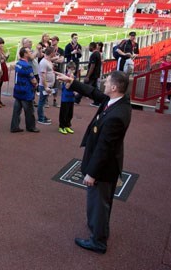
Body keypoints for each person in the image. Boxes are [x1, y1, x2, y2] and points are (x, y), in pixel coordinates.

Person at [55, 70, 132, 254]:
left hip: (103, 170)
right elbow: (93, 92)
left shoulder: (116, 116)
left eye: (107, 83)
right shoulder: (116, 101)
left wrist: (92, 173)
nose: (103, 84)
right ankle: (100, 230)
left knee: (98, 204)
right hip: (107, 165)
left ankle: (98, 241)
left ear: (114, 88)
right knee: (101, 203)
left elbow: (105, 149)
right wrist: (72, 82)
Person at [10, 47, 39, 133]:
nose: (31, 53)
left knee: (16, 111)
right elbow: (33, 79)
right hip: (26, 92)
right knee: (29, 111)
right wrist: (36, 84)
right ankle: (31, 127)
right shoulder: (27, 66)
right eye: (29, 51)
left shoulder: (18, 63)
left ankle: (14, 127)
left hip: (18, 90)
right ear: (25, 54)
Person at [38, 46, 57, 125]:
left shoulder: (48, 61)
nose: (55, 53)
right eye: (54, 52)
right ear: (52, 53)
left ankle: (42, 116)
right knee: (42, 102)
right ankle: (41, 118)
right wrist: (46, 87)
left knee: (43, 102)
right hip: (44, 86)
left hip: (48, 85)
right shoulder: (44, 62)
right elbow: (43, 76)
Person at [79, 42, 102, 107]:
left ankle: (77, 99)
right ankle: (97, 101)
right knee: (94, 88)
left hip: (92, 75)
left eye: (89, 46)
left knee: (84, 87)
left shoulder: (94, 55)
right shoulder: (98, 54)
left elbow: (92, 66)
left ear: (92, 46)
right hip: (96, 74)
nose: (89, 48)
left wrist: (88, 76)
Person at [58, 62, 77, 134]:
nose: (72, 71)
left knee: (70, 113)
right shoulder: (64, 77)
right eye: (71, 69)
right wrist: (70, 79)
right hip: (65, 98)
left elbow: (75, 86)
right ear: (67, 69)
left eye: (73, 70)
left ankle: (67, 125)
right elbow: (66, 86)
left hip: (71, 98)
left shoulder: (74, 77)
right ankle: (61, 126)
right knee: (64, 113)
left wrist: (76, 91)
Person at [0, 37, 10, 108]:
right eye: (0, 44)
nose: (2, 46)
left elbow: (4, 59)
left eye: (2, 44)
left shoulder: (1, 50)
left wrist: (7, 56)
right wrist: (5, 57)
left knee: (0, 86)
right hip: (0, 69)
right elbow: (0, 61)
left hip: (3, 68)